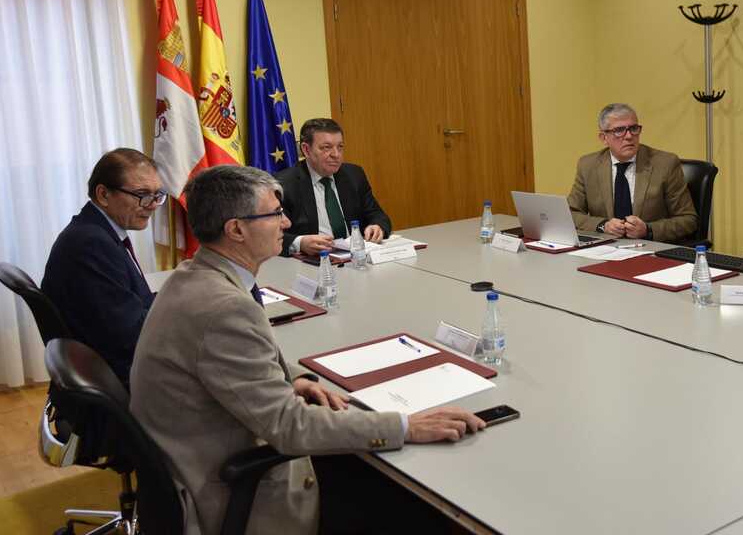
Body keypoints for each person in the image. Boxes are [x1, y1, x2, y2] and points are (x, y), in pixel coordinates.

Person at [130, 165, 484, 535]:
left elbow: (233, 368)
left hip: (202, 454)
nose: (286, 223)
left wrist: (294, 380)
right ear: (236, 230)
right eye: (274, 214)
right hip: (227, 489)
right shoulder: (224, 308)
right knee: (413, 506)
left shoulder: (195, 275)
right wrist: (405, 426)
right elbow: (290, 427)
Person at [42, 148, 164, 386]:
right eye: (142, 194)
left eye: (157, 195)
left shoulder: (94, 231)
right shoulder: (90, 244)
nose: (153, 205)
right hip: (125, 376)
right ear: (104, 194)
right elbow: (128, 334)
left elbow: (126, 304)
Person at [567, 103, 697, 243]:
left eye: (633, 129)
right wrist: (602, 225)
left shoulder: (665, 164)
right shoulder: (588, 165)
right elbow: (570, 213)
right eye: (619, 130)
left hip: (650, 247)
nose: (629, 136)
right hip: (606, 248)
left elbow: (688, 220)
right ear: (604, 138)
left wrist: (648, 230)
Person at [275, 118, 391, 256]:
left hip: (356, 257)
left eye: (340, 147)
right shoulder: (283, 184)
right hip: (314, 260)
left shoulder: (354, 174)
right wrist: (301, 243)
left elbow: (378, 215)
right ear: (306, 150)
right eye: (326, 147)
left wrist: (377, 227)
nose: (336, 154)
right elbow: (269, 235)